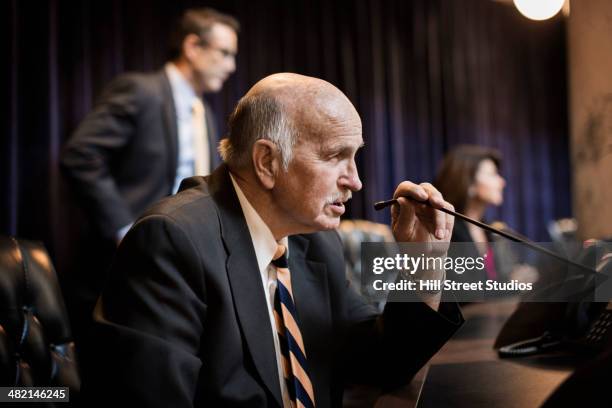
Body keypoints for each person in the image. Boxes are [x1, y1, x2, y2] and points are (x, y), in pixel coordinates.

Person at [83, 73, 464, 407]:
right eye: (336, 157)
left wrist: (423, 261)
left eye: (356, 157)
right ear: (267, 161)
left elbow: (383, 363)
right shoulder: (172, 240)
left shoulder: (313, 240)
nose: (356, 181)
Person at [59, 8, 239, 340]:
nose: (232, 66)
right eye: (225, 53)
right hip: (118, 266)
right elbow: (81, 155)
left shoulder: (207, 115)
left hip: (174, 264)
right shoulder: (140, 90)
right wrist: (124, 229)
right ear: (193, 47)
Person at [434, 145, 536, 286]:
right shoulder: (447, 231)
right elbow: (465, 292)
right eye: (492, 174)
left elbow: (494, 282)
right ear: (468, 182)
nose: (502, 182)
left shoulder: (491, 229)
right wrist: (511, 284)